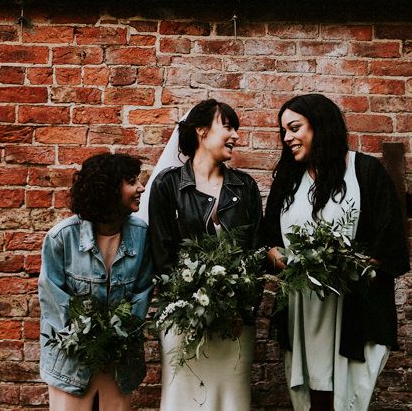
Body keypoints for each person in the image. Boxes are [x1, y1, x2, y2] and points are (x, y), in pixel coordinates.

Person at [263, 93, 409, 411]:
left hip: (353, 307)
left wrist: (340, 264)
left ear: (320, 126)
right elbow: (267, 242)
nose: (287, 137)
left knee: (348, 400)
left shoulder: (367, 173)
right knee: (313, 398)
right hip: (303, 309)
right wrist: (279, 258)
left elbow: (392, 245)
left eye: (294, 127)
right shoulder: (288, 181)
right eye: (283, 131)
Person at [148, 98, 263, 410]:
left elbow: (255, 252)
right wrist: (188, 305)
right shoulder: (168, 185)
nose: (236, 135)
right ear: (200, 131)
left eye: (236, 128)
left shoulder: (245, 187)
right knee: (183, 398)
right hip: (185, 318)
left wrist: (241, 307)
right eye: (227, 126)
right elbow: (162, 253)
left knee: (232, 398)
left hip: (235, 321)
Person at [39, 152, 154, 410]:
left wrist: (116, 339)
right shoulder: (62, 238)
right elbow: (53, 300)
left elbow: (142, 292)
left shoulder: (142, 235)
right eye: (131, 181)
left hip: (119, 365)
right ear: (108, 189)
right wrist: (90, 343)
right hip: (72, 365)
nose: (141, 187)